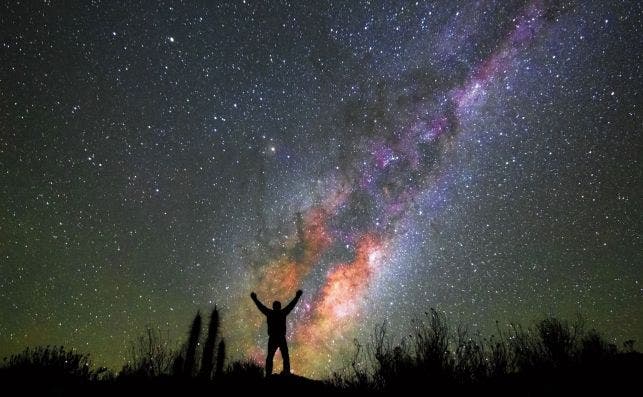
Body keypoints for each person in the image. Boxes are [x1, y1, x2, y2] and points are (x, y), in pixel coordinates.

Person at [250, 289, 303, 376]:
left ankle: (270, 374)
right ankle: (284, 373)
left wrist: (255, 299)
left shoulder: (270, 313)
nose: (277, 307)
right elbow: (291, 306)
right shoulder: (281, 313)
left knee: (272, 357)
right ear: (279, 306)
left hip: (274, 337)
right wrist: (297, 296)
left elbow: (261, 307)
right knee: (282, 356)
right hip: (279, 337)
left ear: (274, 306)